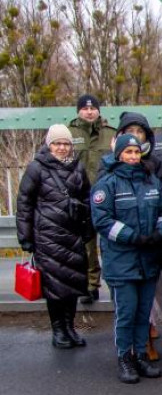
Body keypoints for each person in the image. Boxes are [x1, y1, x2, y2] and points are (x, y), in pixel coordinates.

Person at [90, 134, 162, 384]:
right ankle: (125, 357)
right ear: (119, 155)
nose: (134, 157)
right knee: (126, 314)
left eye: (137, 153)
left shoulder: (151, 181)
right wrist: (132, 237)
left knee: (143, 313)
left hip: (148, 260)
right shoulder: (107, 184)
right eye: (129, 153)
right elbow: (102, 220)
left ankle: (140, 355)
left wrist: (160, 230)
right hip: (122, 261)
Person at [17, 125, 93, 349]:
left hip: (72, 235)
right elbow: (24, 204)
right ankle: (58, 329)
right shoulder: (36, 168)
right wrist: (26, 236)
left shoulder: (77, 167)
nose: (62, 148)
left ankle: (70, 327)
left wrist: (87, 224)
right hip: (47, 237)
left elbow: (88, 196)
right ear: (48, 145)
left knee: (72, 284)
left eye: (66, 143)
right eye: (57, 143)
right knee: (54, 287)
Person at [68, 94, 116, 304]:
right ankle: (90, 285)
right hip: (81, 197)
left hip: (107, 197)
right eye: (85, 109)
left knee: (110, 242)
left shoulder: (110, 134)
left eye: (93, 108)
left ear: (98, 110)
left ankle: (114, 284)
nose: (89, 112)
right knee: (86, 246)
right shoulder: (69, 134)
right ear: (79, 111)